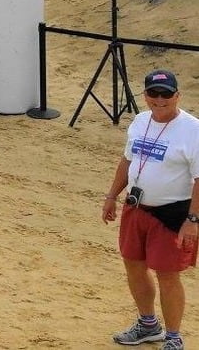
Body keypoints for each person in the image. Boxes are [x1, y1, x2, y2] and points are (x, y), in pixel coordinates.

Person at [103, 70, 199, 350]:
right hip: (136, 208)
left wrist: (193, 219)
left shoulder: (193, 130)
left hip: (172, 215)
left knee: (168, 274)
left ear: (177, 95)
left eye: (166, 94)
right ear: (145, 95)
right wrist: (112, 195)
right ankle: (148, 325)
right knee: (133, 264)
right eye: (153, 94)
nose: (160, 100)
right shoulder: (140, 121)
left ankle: (173, 337)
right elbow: (127, 160)